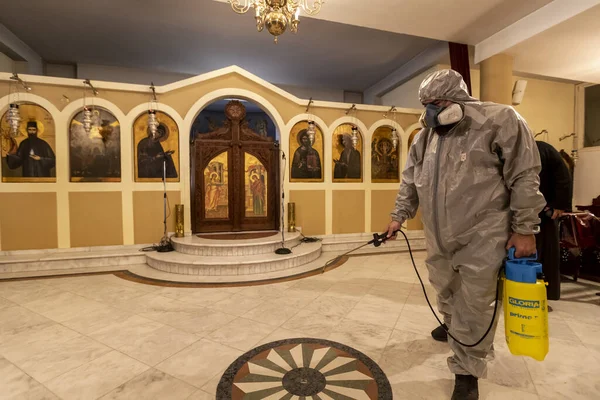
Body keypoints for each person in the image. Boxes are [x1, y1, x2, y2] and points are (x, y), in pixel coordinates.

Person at [385, 69, 545, 400]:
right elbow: (410, 179)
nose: (431, 110)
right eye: (426, 104)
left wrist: (525, 229)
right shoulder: (425, 136)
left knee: (474, 305)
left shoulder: (501, 119)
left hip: (484, 235)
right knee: (446, 292)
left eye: (437, 102)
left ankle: (466, 370)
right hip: (438, 236)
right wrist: (398, 216)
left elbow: (525, 176)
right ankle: (455, 331)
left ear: (458, 98)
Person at [536, 141, 572, 303]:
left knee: (545, 252)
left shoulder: (541, 148)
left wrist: (559, 203)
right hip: (537, 209)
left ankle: (544, 293)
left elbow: (563, 175)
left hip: (545, 211)